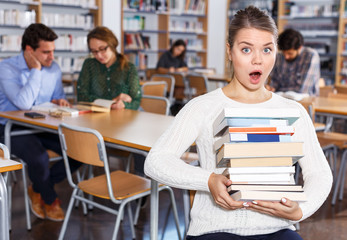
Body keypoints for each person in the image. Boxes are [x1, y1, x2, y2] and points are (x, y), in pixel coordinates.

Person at [145, 6, 332, 240]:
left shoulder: (293, 111)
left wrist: (301, 210)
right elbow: (156, 161)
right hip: (215, 229)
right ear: (229, 51)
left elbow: (320, 173)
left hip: (277, 229)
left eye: (267, 49)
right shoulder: (202, 107)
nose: (257, 60)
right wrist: (208, 180)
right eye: (246, 49)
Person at [0, 23, 81, 221]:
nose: (51, 58)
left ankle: (38, 188)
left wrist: (59, 102)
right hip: (9, 127)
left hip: (42, 125)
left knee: (79, 150)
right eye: (46, 52)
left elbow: (57, 97)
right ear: (29, 50)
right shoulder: (6, 68)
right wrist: (36, 70)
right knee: (39, 159)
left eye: (53, 51)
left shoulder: (53, 69)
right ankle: (50, 198)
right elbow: (23, 103)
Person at [77, 26, 141, 110]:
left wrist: (124, 105)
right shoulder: (89, 65)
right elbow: (81, 97)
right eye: (94, 51)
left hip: (121, 119)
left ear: (112, 44)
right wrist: (112, 102)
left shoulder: (129, 68)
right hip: (94, 119)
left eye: (102, 49)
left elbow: (136, 101)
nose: (99, 55)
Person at [268, 28, 320, 96]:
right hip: (282, 98)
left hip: (305, 101)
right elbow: (275, 81)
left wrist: (280, 90)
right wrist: (271, 87)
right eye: (284, 53)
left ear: (299, 48)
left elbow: (303, 90)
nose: (286, 57)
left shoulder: (311, 56)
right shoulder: (280, 56)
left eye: (290, 53)